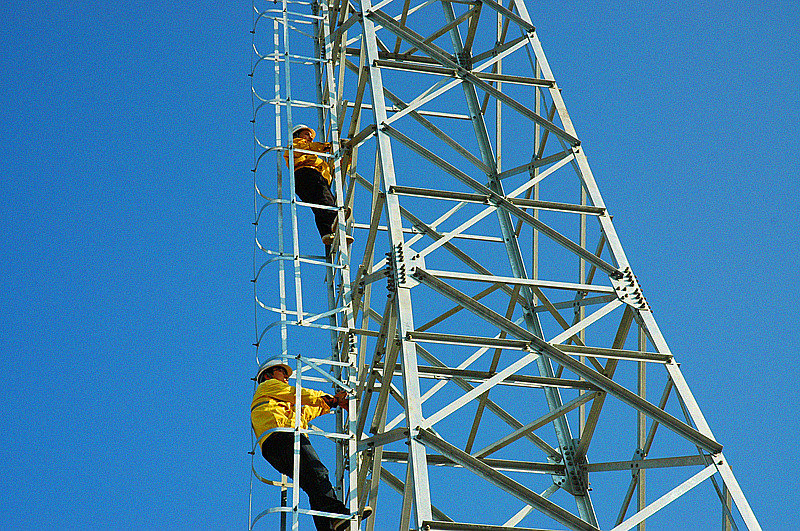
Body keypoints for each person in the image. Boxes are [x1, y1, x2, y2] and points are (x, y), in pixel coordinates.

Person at [251, 360, 369, 530]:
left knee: (313, 486)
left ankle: (329, 526)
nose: (286, 377)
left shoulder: (280, 402)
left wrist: (333, 402)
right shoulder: (268, 386)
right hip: (284, 437)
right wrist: (333, 399)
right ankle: (337, 514)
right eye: (281, 371)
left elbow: (307, 410)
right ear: (268, 376)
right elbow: (299, 394)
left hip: (274, 448)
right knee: (318, 473)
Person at [284, 124, 353, 248]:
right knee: (324, 198)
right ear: (297, 135)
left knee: (319, 208)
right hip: (306, 174)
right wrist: (329, 146)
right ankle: (335, 218)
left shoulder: (317, 161)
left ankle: (327, 234)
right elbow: (308, 147)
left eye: (311, 135)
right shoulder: (296, 145)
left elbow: (334, 170)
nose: (310, 137)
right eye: (306, 134)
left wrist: (347, 159)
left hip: (310, 179)